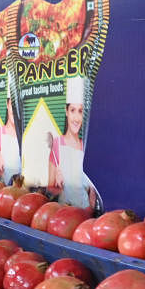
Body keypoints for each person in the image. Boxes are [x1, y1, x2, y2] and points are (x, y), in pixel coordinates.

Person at [46, 75, 101, 211]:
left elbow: (93, 192)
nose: (76, 118)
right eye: (72, 110)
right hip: (63, 215)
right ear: (66, 112)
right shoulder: (57, 145)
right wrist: (57, 186)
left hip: (86, 216)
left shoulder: (87, 146)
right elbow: (50, 191)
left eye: (81, 111)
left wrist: (89, 212)